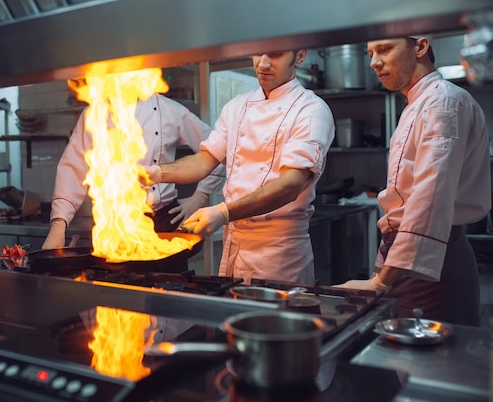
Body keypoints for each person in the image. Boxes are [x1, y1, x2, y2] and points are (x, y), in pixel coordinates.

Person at [142, 50, 335, 284]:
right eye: (257, 53)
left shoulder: (311, 110)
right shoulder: (237, 107)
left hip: (279, 253)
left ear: (300, 55)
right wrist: (155, 173)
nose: (262, 63)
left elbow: (290, 184)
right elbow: (204, 160)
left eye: (275, 54)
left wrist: (224, 212)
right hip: (234, 243)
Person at [336, 36, 491, 326]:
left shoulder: (442, 103)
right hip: (411, 262)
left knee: (423, 365)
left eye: (384, 49)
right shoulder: (419, 103)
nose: (373, 62)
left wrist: (382, 281)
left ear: (420, 47)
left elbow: (429, 199)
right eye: (370, 53)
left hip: (428, 267)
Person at [43, 92, 225, 249]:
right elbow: (73, 168)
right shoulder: (95, 113)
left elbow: (219, 152)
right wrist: (58, 225)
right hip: (114, 224)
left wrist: (200, 197)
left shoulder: (169, 110)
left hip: (163, 222)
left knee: (169, 285)